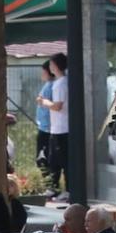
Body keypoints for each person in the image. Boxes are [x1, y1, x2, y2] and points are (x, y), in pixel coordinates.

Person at [41, 54, 70, 194]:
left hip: (61, 128)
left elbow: (58, 106)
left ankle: (65, 189)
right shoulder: (61, 82)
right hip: (57, 128)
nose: (50, 67)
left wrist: (44, 102)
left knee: (61, 161)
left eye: (52, 64)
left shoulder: (61, 84)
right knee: (54, 160)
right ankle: (54, 187)